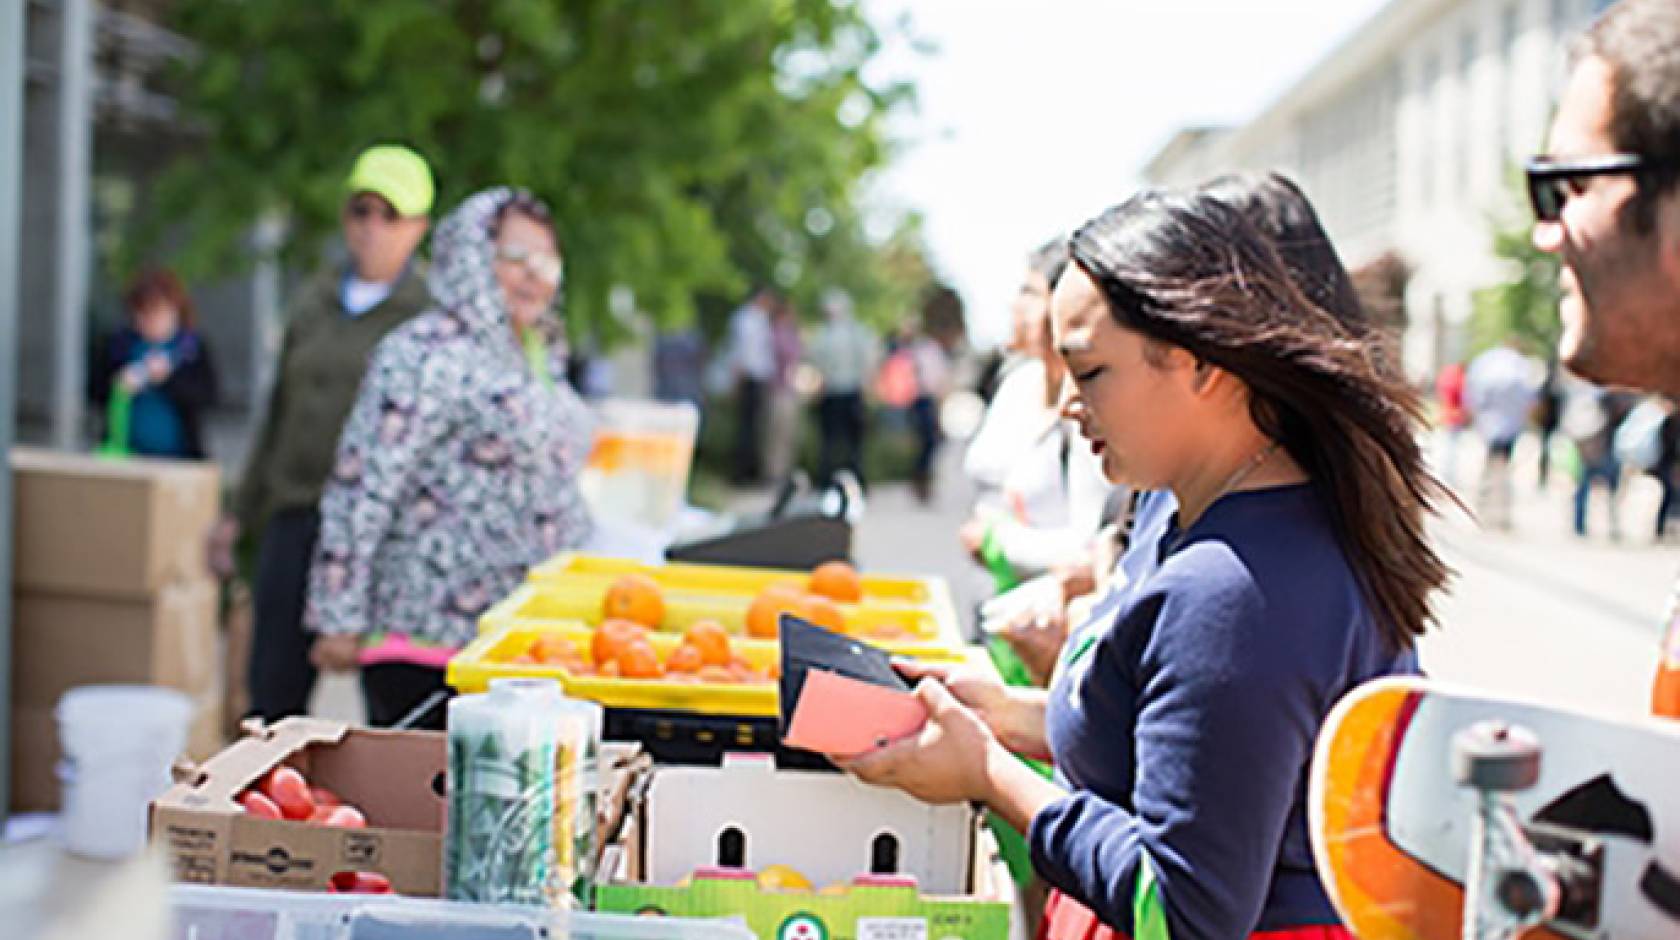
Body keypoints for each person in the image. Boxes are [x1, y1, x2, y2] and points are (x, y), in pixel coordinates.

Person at [833, 189, 1451, 939]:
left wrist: (991, 776)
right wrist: (1007, 715)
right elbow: (1188, 743)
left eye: (1090, 374)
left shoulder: (1234, 590)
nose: (1067, 404)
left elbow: (1186, 911)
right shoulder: (1188, 506)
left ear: (1202, 363)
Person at [306, 188, 595, 728]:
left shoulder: (536, 354)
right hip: (430, 642)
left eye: (547, 260)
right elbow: (363, 484)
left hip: (514, 644)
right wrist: (338, 615)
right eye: (514, 257)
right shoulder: (425, 351)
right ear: (471, 257)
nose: (534, 274)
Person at [210, 144, 435, 722]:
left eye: (391, 215)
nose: (372, 228)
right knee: (272, 697)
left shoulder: (429, 317)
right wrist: (243, 512)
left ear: (419, 227)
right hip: (298, 515)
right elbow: (280, 411)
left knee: (395, 711)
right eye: (362, 211)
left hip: (384, 538)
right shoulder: (315, 298)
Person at [89, 268, 219, 459]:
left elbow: (208, 397)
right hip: (128, 454)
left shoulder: (191, 349)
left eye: (158, 312)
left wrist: (169, 380)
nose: (151, 321)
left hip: (179, 455)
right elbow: (94, 393)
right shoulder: (118, 345)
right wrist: (118, 385)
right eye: (143, 314)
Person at [1464, 338, 1539, 531]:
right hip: (1510, 425)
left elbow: (1474, 394)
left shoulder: (1487, 364)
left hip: (1488, 424)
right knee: (1504, 468)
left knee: (1488, 467)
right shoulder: (1519, 367)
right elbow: (1529, 398)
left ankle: (1482, 508)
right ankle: (1501, 512)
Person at [806, 289, 879, 488]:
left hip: (847, 392)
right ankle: (832, 481)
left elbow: (867, 362)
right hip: (835, 392)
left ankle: (847, 481)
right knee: (835, 442)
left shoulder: (853, 333)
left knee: (846, 443)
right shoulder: (828, 334)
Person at [726, 289, 778, 484]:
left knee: (754, 428)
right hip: (748, 377)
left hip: (758, 378)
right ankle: (741, 473)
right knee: (746, 428)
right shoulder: (744, 319)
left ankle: (750, 473)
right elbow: (741, 351)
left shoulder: (761, 319)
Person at [764, 297, 805, 483]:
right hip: (777, 390)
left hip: (789, 390)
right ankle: (774, 473)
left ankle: (784, 472)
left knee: (788, 434)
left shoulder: (791, 334)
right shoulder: (772, 334)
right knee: (775, 434)